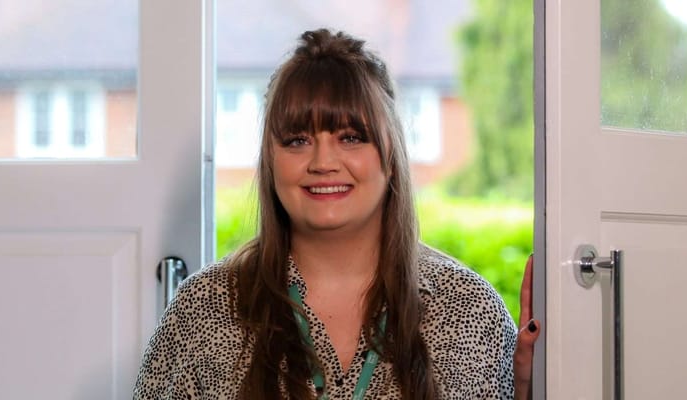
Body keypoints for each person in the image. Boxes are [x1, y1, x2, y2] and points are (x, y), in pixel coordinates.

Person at [134, 28, 540, 399]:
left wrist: (525, 392)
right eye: (297, 140)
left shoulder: (469, 308)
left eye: (350, 137)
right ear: (270, 161)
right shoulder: (204, 306)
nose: (323, 162)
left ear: (391, 157)